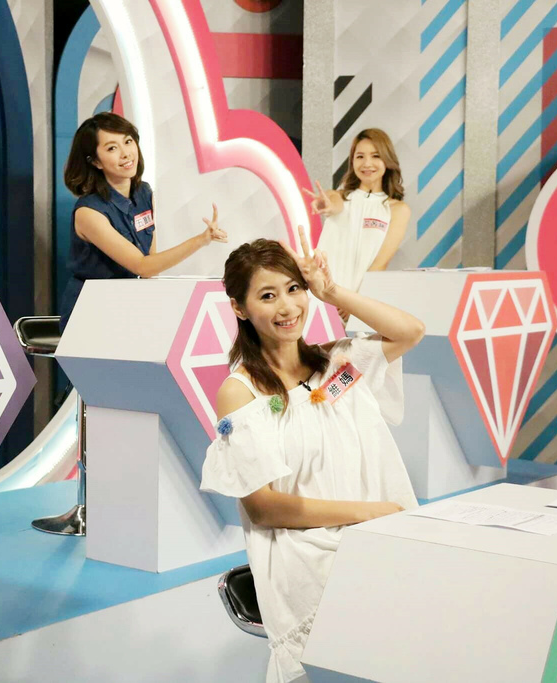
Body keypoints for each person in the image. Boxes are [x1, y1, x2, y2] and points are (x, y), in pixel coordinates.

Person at [201, 230, 423, 682]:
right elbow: (263, 507)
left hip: (375, 538)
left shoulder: (338, 363)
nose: (287, 307)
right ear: (240, 309)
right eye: (268, 296)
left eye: (294, 289)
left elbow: (410, 331)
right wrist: (370, 513)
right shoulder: (240, 393)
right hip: (306, 556)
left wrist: (332, 291)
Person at [58, 112, 227, 329]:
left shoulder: (144, 193)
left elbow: (151, 263)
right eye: (112, 148)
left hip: (128, 304)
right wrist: (201, 240)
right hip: (91, 313)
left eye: (128, 141)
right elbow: (142, 266)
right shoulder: (89, 212)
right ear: (96, 162)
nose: (125, 153)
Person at [305, 128, 409, 293]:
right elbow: (334, 204)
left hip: (361, 298)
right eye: (360, 156)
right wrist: (328, 205)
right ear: (352, 161)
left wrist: (355, 301)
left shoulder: (398, 210)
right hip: (322, 296)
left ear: (387, 160)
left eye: (375, 156)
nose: (367, 163)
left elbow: (380, 264)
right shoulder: (339, 196)